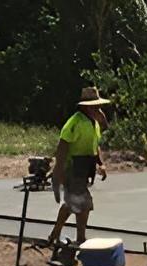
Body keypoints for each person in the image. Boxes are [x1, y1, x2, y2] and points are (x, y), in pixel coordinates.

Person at [47, 87, 111, 245]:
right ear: (88, 107)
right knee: (82, 203)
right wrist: (59, 170)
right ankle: (77, 237)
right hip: (72, 168)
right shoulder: (75, 122)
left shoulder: (93, 123)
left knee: (73, 204)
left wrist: (100, 164)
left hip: (84, 169)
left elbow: (95, 145)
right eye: (96, 107)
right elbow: (62, 147)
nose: (99, 110)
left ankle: (56, 234)